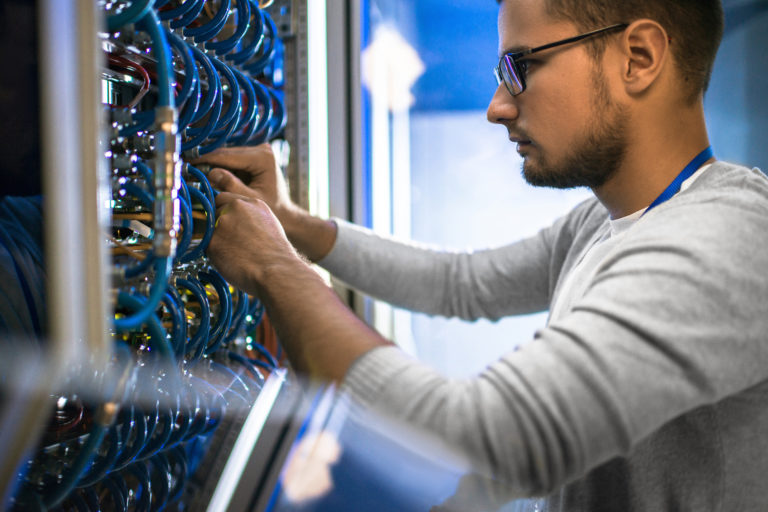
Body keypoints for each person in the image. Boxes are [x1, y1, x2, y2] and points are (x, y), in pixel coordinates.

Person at [194, 0, 768, 509]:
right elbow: (460, 282)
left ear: (638, 57)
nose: (497, 107)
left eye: (521, 68)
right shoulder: (604, 221)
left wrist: (274, 268)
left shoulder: (727, 239)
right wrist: (292, 226)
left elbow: (487, 438)